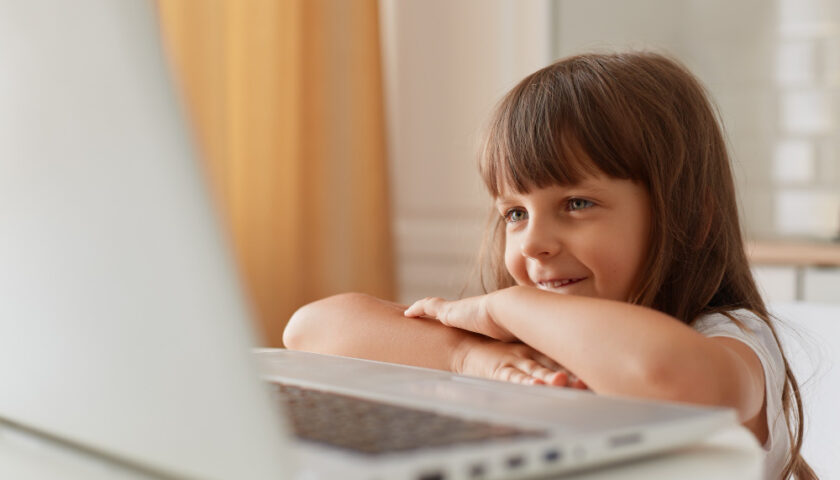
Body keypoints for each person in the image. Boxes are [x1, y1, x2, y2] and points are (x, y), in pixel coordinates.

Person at [283, 52, 815, 479]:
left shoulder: (733, 342)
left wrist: (512, 305)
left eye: (577, 204)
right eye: (514, 213)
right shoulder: (519, 349)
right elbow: (311, 328)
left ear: (690, 218)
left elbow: (669, 378)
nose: (533, 242)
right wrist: (469, 356)